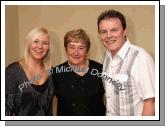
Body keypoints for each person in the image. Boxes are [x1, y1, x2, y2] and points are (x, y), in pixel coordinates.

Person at [97, 9, 155, 116]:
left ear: (124, 31)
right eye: (103, 32)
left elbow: (150, 102)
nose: (108, 36)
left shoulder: (140, 57)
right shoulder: (106, 56)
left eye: (114, 30)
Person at [53, 28, 106, 116]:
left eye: (81, 48)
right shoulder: (56, 73)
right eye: (71, 47)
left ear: (87, 50)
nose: (76, 53)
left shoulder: (100, 70)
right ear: (66, 49)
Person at [5, 27, 55, 116]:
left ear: (48, 47)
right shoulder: (13, 71)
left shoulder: (50, 70)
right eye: (35, 41)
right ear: (28, 44)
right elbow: (6, 110)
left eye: (45, 43)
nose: (40, 46)